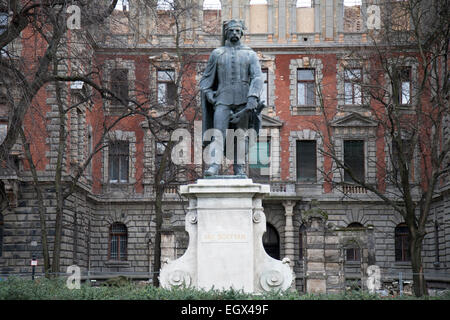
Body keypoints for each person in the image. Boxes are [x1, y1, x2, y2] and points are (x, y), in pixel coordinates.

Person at [199, 19, 264, 177]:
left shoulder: (250, 54)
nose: (234, 33)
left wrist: (253, 97)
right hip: (222, 99)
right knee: (218, 132)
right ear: (226, 33)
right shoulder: (217, 54)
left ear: (241, 33)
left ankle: (239, 168)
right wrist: (208, 94)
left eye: (237, 30)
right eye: (231, 30)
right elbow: (206, 80)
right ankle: (214, 164)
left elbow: (257, 77)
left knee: (241, 135)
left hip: (243, 101)